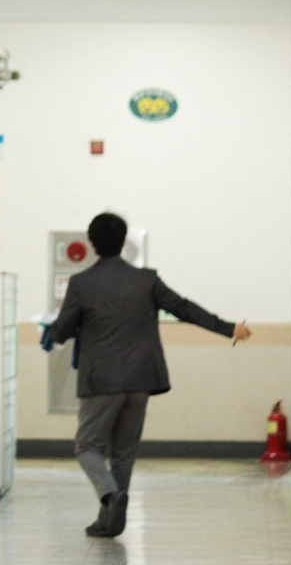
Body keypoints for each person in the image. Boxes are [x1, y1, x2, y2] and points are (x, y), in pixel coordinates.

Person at [49, 212, 253, 538]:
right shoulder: (146, 280)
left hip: (101, 381)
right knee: (124, 454)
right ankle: (109, 519)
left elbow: (61, 331)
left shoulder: (82, 283)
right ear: (124, 242)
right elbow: (184, 308)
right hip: (141, 379)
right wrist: (229, 327)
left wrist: (54, 330)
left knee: (87, 446)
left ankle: (110, 497)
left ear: (92, 243)